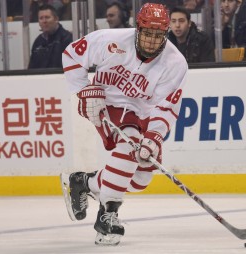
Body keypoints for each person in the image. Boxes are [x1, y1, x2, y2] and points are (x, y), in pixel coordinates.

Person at [61, 3, 187, 246]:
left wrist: (153, 138)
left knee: (141, 178)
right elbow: (72, 54)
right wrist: (85, 90)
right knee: (131, 145)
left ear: (166, 34)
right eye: (147, 33)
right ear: (137, 28)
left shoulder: (175, 63)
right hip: (106, 103)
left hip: (145, 114)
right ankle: (108, 215)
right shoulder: (111, 39)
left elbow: (167, 107)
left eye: (158, 35)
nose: (151, 41)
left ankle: (83, 182)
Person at [28, 4, 72, 69]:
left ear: (56, 19)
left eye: (47, 17)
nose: (44, 21)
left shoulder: (67, 39)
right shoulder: (38, 41)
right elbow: (31, 69)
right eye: (41, 18)